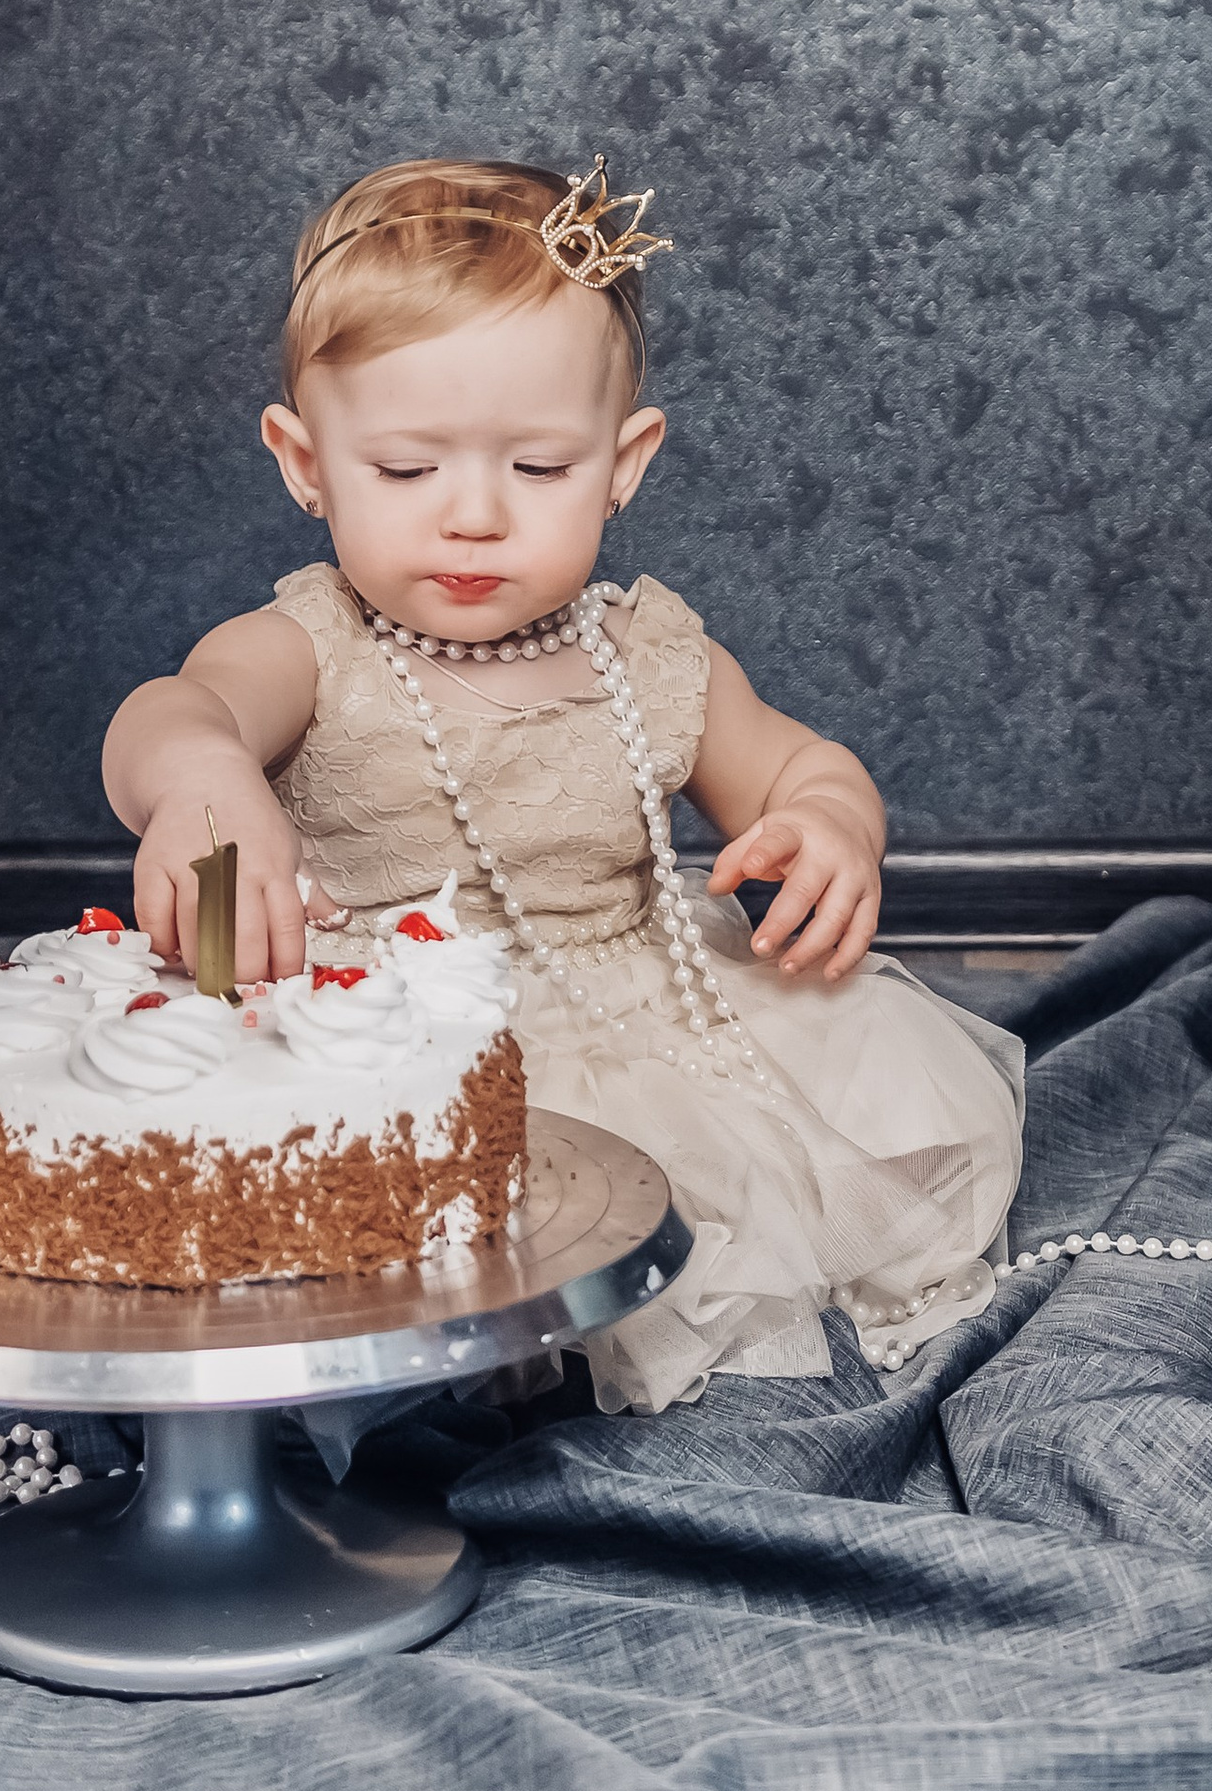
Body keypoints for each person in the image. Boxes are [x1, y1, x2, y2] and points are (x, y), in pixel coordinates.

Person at [100, 155, 1024, 1410]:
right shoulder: (304, 649)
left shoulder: (649, 654)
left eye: (538, 469)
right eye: (405, 471)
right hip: (381, 1031)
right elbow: (171, 714)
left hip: (635, 1020)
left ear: (621, 461)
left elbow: (800, 763)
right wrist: (205, 778)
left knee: (712, 1174)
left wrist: (825, 822)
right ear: (304, 461)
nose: (473, 515)